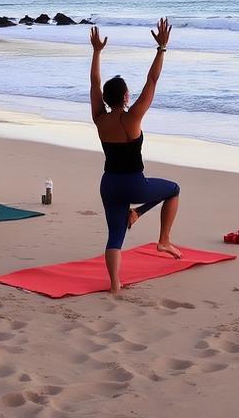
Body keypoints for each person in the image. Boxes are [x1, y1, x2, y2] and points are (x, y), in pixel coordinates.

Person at [89, 19, 181, 296]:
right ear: (126, 96)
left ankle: (115, 285)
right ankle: (163, 240)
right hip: (134, 184)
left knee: (115, 238)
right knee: (172, 190)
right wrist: (161, 47)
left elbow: (94, 82)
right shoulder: (133, 117)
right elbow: (152, 80)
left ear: (106, 98)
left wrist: (96, 52)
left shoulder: (99, 118)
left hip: (109, 185)